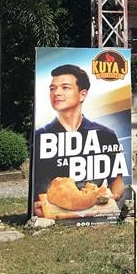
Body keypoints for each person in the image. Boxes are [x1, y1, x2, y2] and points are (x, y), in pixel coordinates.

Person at [32, 64, 126, 217]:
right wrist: (33, 206)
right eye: (52, 88)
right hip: (52, 215)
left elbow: (117, 179)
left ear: (82, 94)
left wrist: (114, 197)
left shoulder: (105, 135)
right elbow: (35, 185)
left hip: (96, 214)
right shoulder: (40, 136)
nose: (57, 93)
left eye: (65, 87)